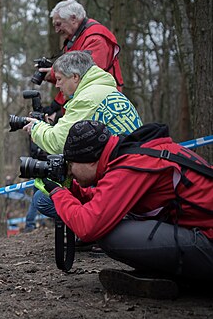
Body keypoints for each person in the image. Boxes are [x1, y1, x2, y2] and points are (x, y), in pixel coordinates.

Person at [36, 120, 213, 299]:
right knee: (112, 219)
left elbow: (88, 226)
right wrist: (72, 190)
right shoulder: (134, 153)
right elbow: (106, 198)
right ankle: (174, 273)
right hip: (200, 232)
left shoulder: (131, 165)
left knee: (109, 234)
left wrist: (58, 193)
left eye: (71, 164)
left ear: (90, 161)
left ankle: (186, 279)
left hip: (208, 242)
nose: (70, 171)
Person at [22, 51, 142, 220]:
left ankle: (102, 228)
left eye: (60, 79)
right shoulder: (104, 91)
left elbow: (59, 142)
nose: (57, 85)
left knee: (43, 199)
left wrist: (36, 128)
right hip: (129, 174)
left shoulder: (87, 98)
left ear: (76, 77)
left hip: (121, 183)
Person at [40, 0, 125, 119]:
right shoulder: (75, 39)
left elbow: (84, 76)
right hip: (88, 104)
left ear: (73, 19)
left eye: (59, 24)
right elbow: (73, 76)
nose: (56, 30)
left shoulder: (96, 39)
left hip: (102, 107)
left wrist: (54, 74)